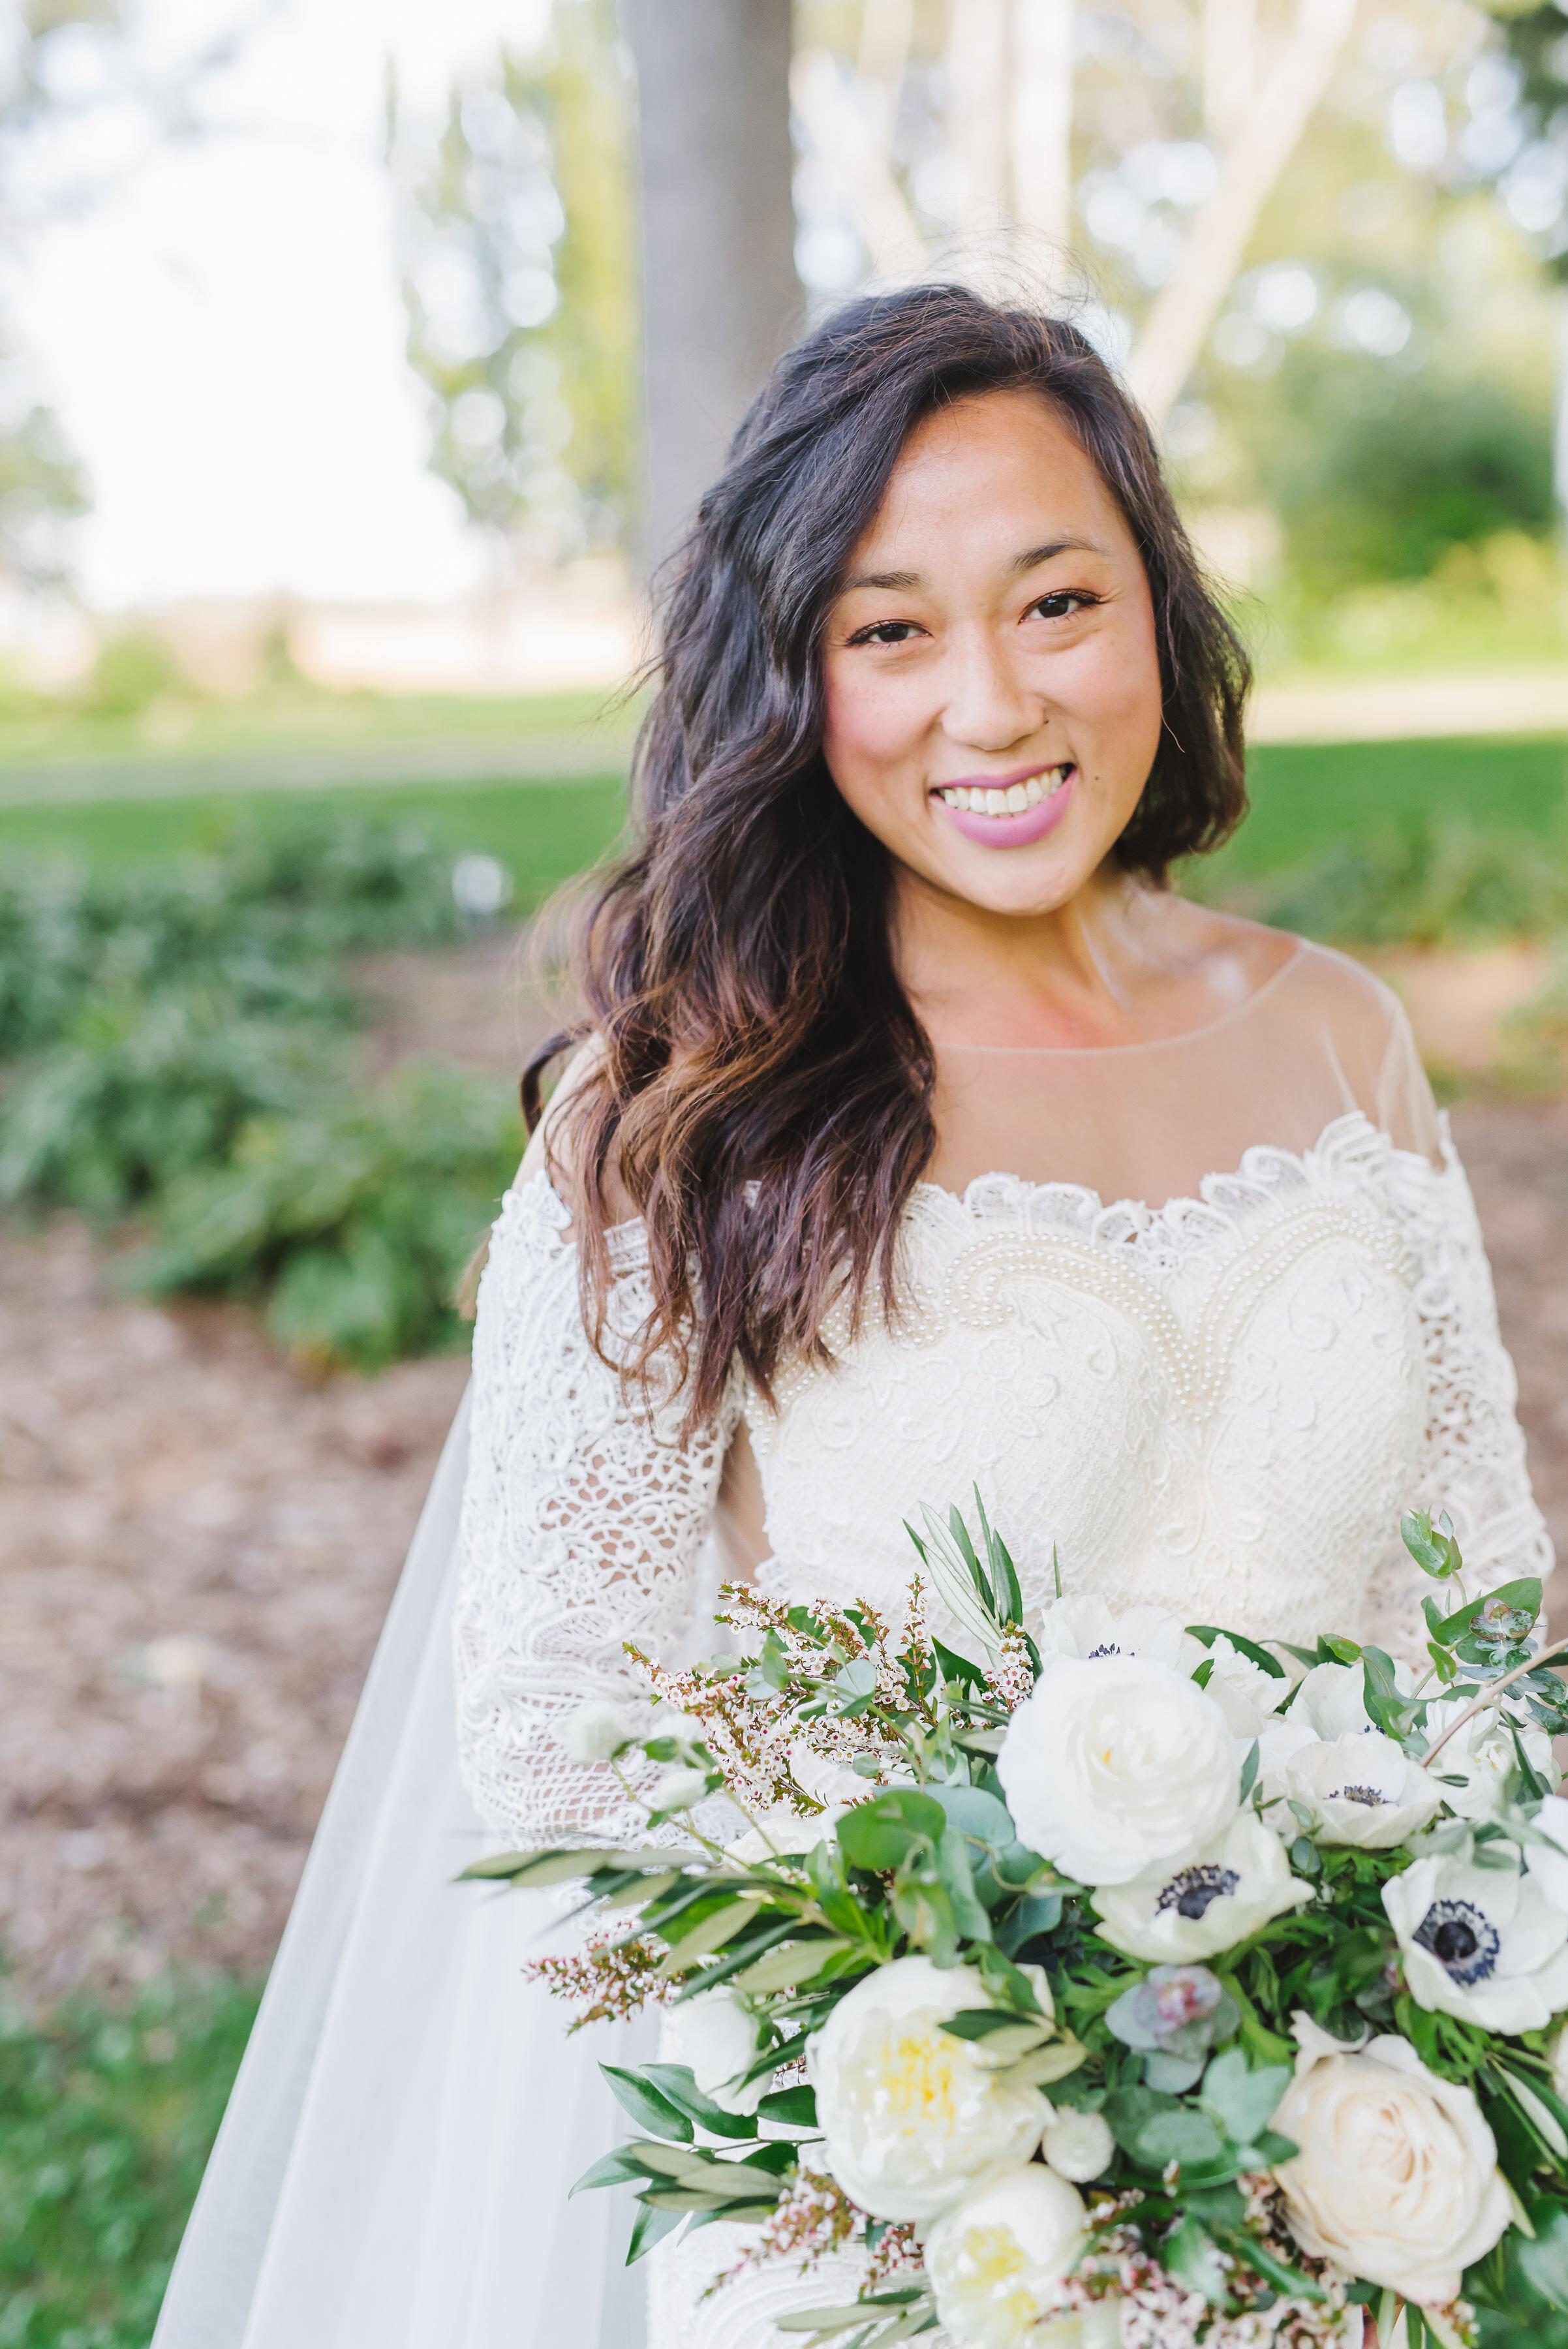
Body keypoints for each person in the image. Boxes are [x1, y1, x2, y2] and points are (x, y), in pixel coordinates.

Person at [153, 285, 1550, 2349]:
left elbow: (1478, 1612)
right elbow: (562, 1749)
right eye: (889, 630)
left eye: (1055, 602)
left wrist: (1405, 2021)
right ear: (790, 676)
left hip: (1338, 2174)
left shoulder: (1341, 1041)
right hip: (902, 2221)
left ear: (1156, 610)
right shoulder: (683, 1130)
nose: (989, 705)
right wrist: (953, 2110)